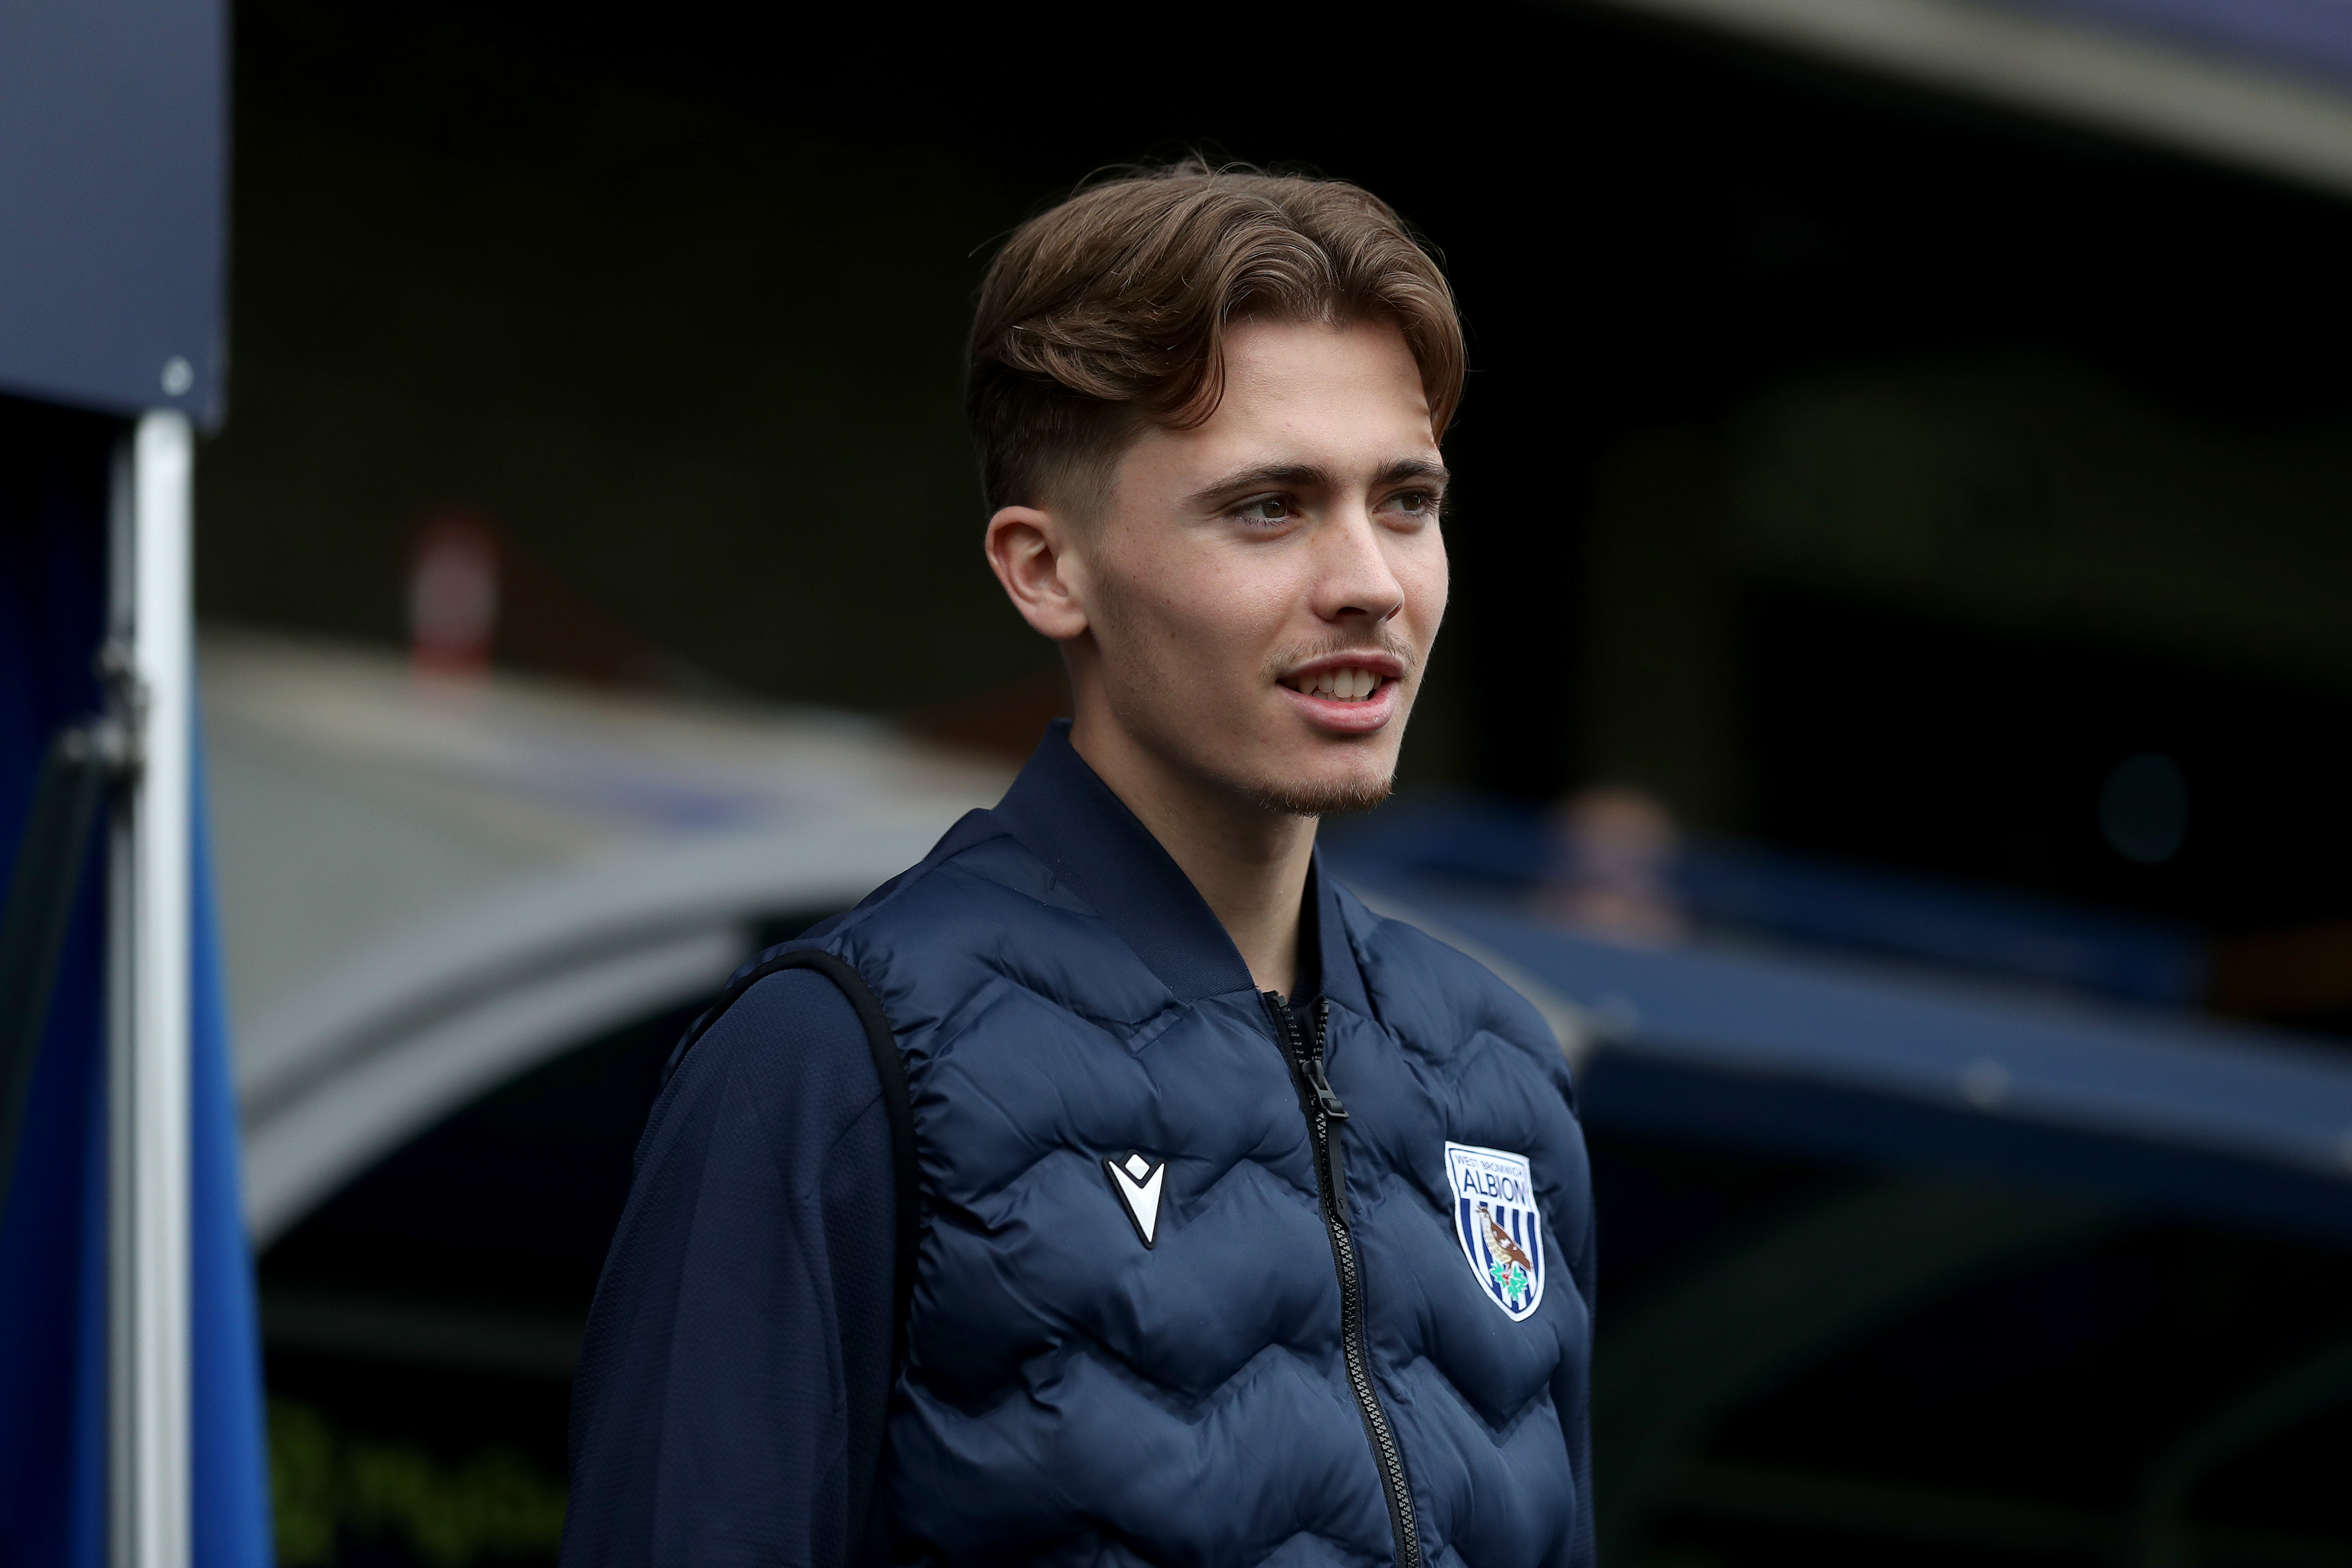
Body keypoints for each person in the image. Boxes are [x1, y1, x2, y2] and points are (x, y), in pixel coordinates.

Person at [562, 160, 1595, 1568]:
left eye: (1405, 502)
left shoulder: (1502, 1083)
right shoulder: (835, 1061)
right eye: (1267, 507)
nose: (1369, 580)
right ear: (1045, 568)